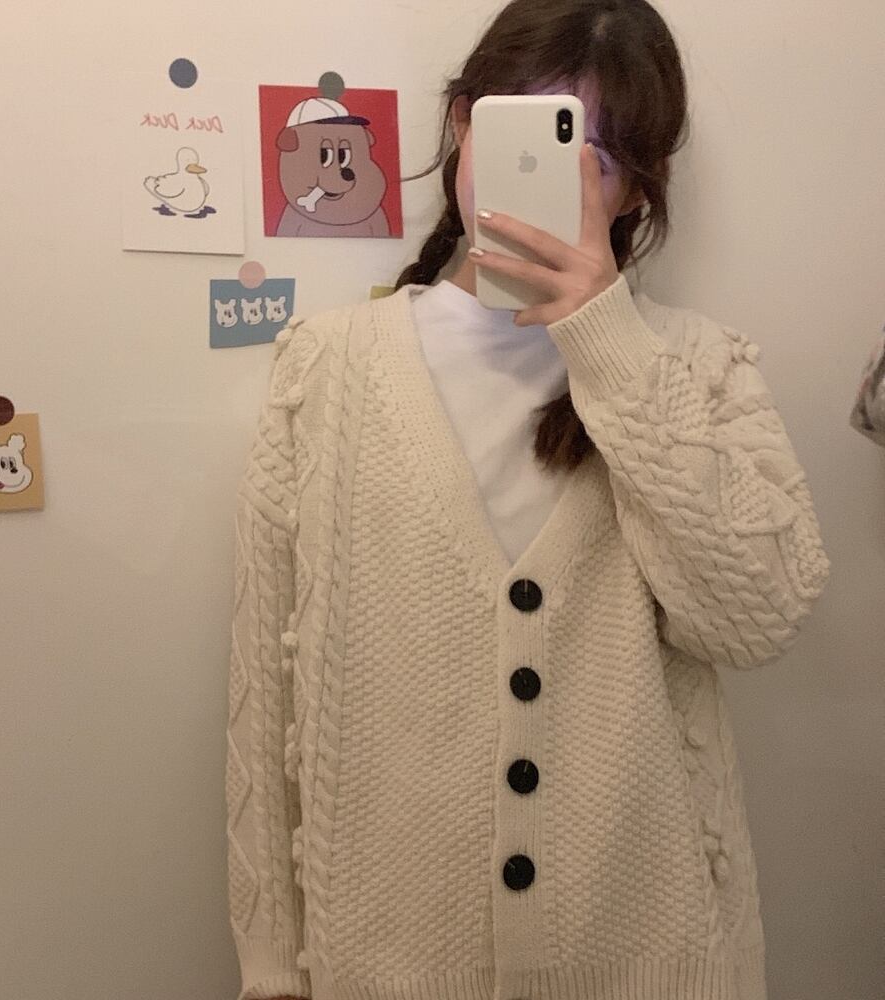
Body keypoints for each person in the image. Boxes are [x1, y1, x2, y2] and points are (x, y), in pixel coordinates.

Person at [225, 2, 831, 999]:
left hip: (656, 964)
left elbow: (758, 615)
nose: (562, 177)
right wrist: (268, 969)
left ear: (637, 186)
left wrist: (605, 338)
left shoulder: (697, 367)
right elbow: (265, 690)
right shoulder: (324, 370)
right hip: (385, 966)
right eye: (533, 132)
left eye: (599, 154)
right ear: (463, 126)